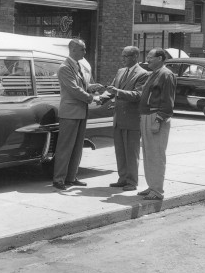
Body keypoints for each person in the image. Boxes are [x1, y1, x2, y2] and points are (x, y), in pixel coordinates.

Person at [52, 39, 103, 191]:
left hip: (80, 112)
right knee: (65, 147)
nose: (85, 52)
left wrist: (92, 87)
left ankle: (71, 177)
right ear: (73, 49)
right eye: (83, 49)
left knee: (77, 147)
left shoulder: (78, 67)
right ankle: (59, 179)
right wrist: (91, 98)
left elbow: (82, 86)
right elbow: (74, 89)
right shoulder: (65, 68)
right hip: (70, 113)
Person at [104, 46, 149, 192]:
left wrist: (118, 92)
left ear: (135, 56)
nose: (123, 59)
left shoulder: (143, 74)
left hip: (132, 120)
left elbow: (138, 95)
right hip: (119, 118)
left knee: (131, 152)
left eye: (126, 56)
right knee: (120, 151)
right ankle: (122, 178)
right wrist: (101, 97)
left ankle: (132, 181)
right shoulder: (120, 71)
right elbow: (112, 89)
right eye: (122, 56)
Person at [138, 47, 176, 201]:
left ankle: (157, 191)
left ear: (160, 58)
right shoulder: (154, 73)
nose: (147, 59)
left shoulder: (166, 74)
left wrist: (158, 120)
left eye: (150, 57)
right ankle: (152, 186)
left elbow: (168, 102)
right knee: (148, 154)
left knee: (156, 154)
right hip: (147, 115)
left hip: (156, 117)